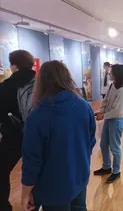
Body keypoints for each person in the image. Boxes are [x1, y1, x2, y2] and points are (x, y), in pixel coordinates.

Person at [21, 61, 96, 211]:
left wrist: (25, 193)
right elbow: (90, 141)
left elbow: (32, 160)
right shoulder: (84, 106)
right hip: (79, 179)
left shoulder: (37, 115)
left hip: (53, 187)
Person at [0, 50, 36, 211]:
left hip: (12, 135)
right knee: (35, 168)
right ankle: (35, 201)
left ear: (14, 66)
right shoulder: (40, 84)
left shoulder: (5, 87)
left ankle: (3, 205)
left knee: (1, 169)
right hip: (35, 134)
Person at [94, 64, 123, 184]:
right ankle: (106, 167)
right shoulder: (112, 86)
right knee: (103, 144)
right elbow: (106, 101)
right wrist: (101, 111)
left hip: (117, 121)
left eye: (111, 72)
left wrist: (103, 115)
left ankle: (116, 171)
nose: (109, 73)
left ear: (117, 74)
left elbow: (118, 111)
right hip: (109, 120)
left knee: (115, 148)